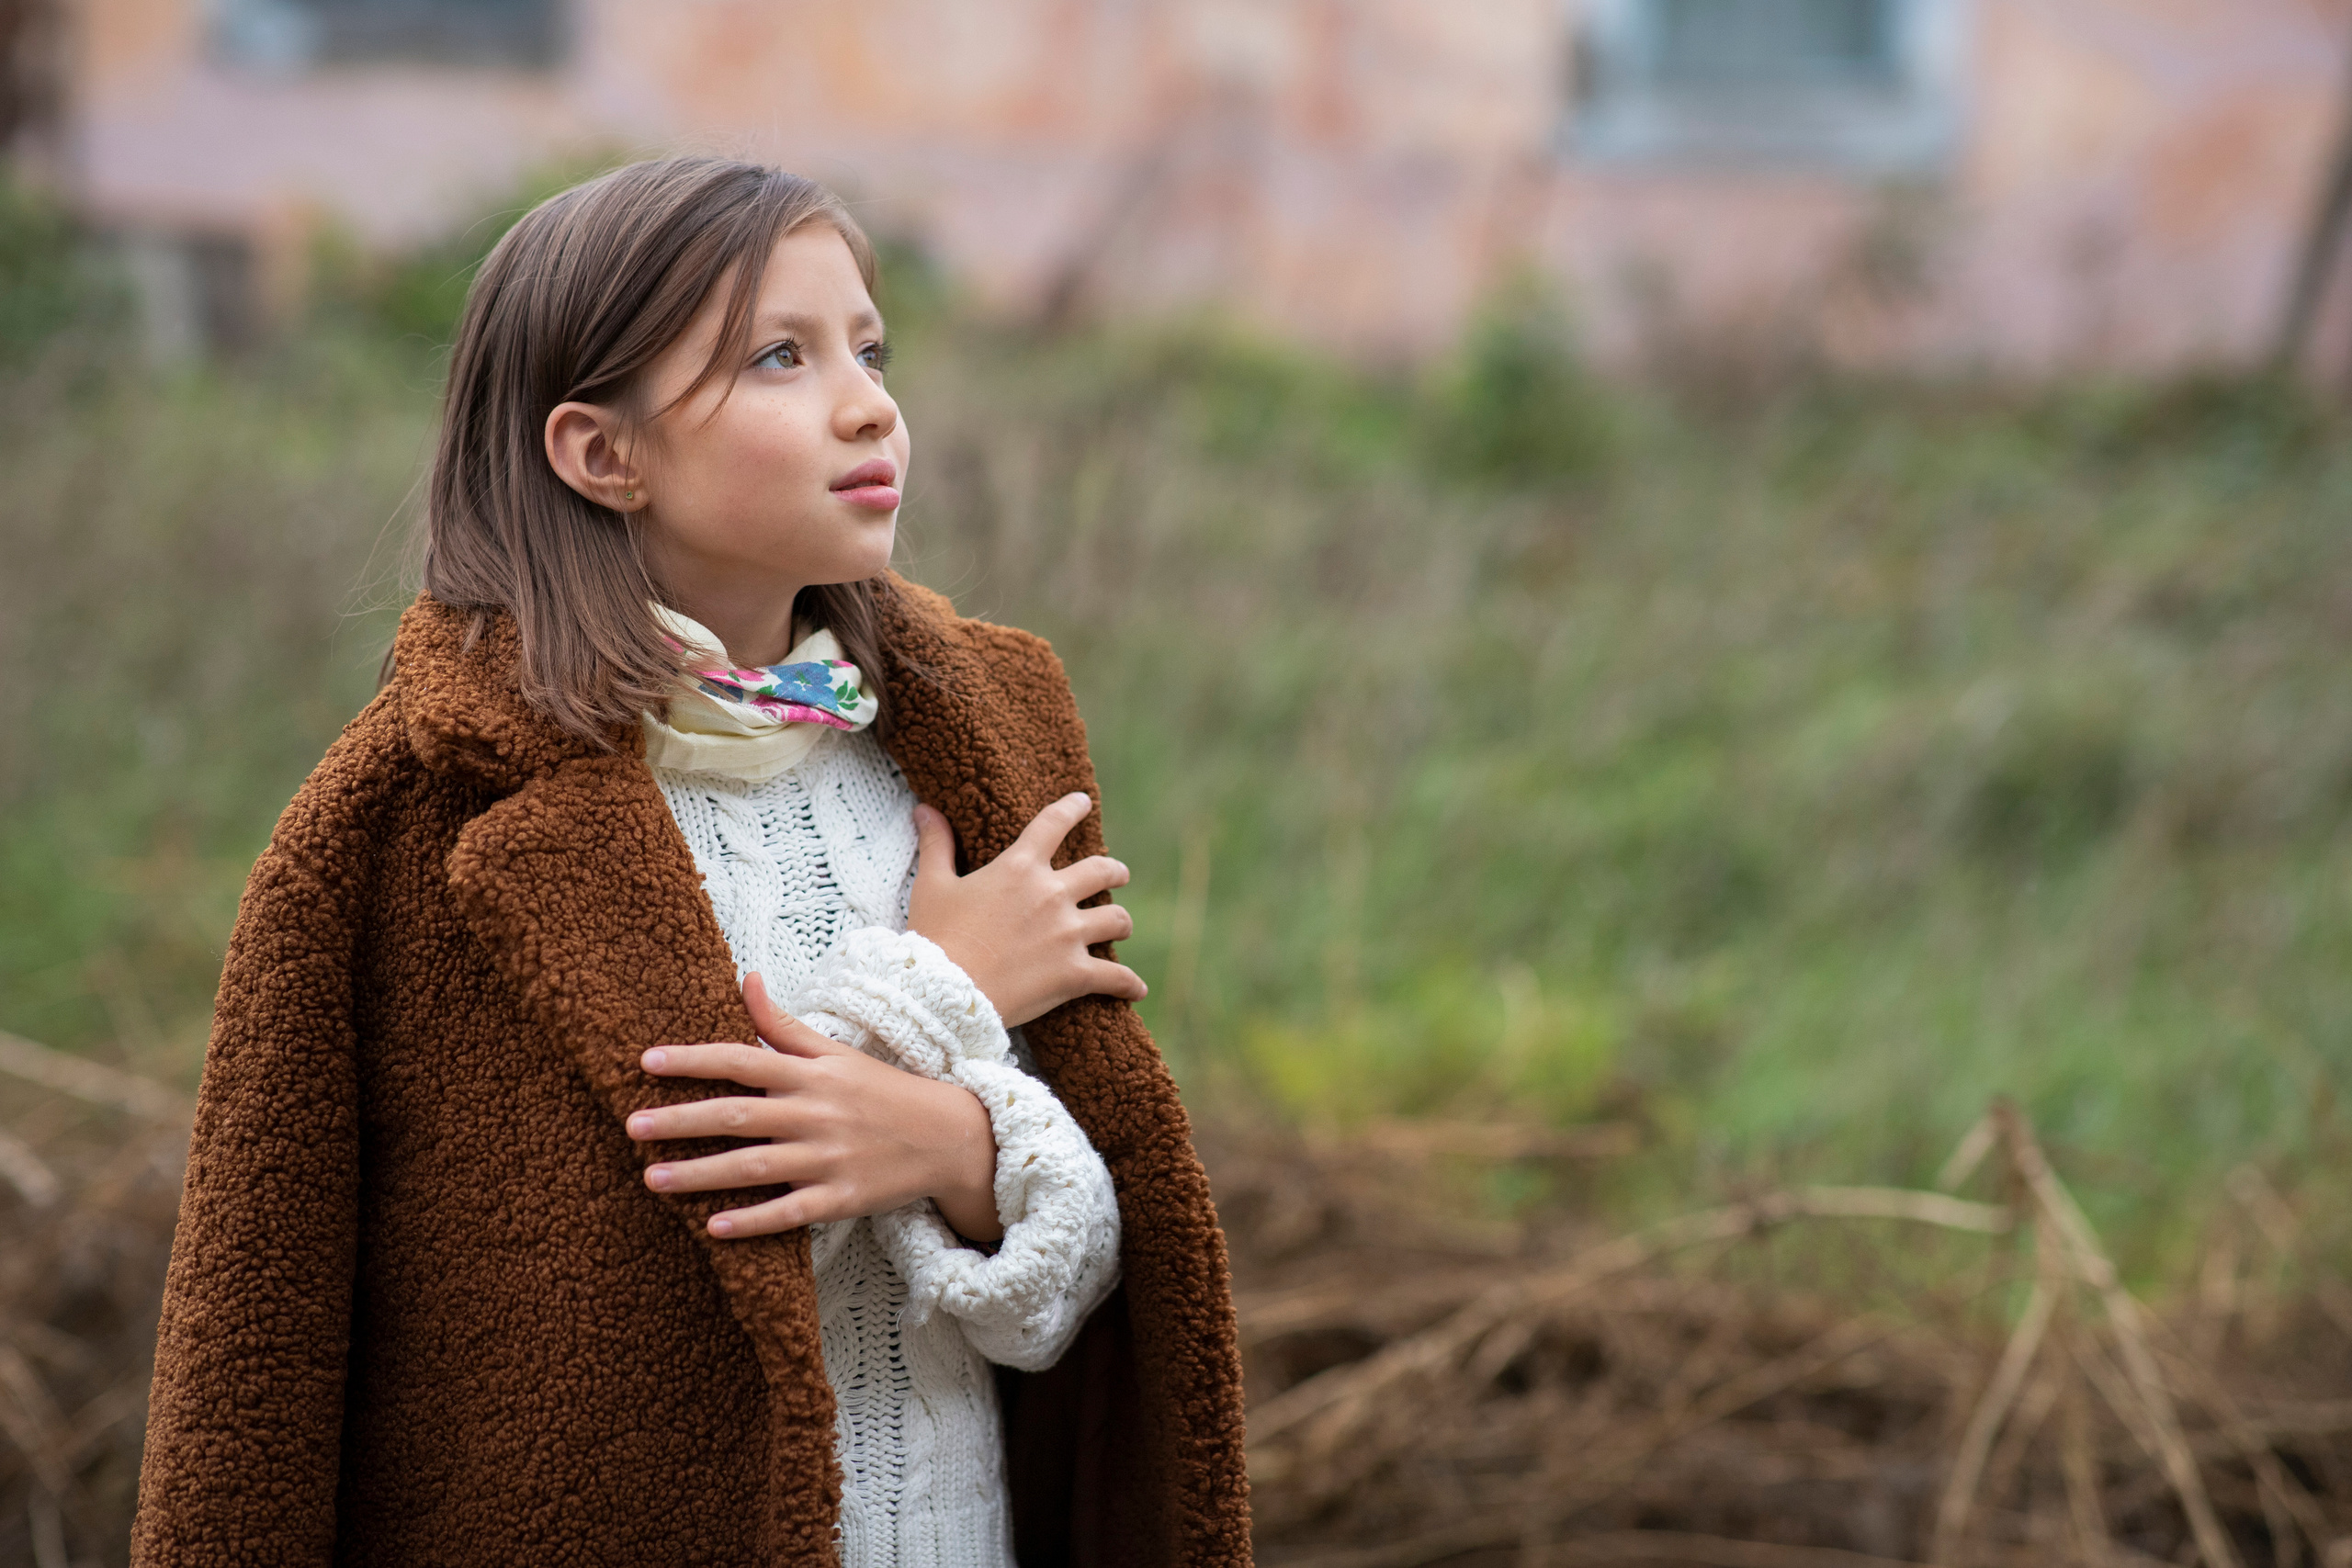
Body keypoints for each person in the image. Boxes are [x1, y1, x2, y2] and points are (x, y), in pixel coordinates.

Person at [130, 155, 1251, 1568]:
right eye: (780, 357)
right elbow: (279, 1360)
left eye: (870, 346)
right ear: (602, 452)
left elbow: (1083, 1291)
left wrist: (961, 1148)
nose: (870, 403)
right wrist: (938, 992)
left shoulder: (970, 749)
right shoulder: (396, 830)